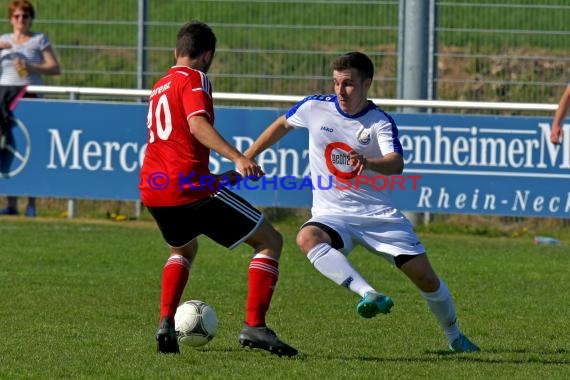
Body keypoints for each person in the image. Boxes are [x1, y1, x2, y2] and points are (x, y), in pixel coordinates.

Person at [244, 52, 480, 353]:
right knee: (306, 237)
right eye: (336, 83)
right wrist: (249, 155)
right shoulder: (315, 107)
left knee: (426, 279)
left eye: (349, 84)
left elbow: (396, 163)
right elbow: (282, 124)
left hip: (378, 216)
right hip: (333, 213)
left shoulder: (379, 121)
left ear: (367, 84)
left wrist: (367, 162)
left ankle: (455, 337)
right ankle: (368, 293)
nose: (340, 91)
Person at [139, 21, 297, 356]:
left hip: (156, 189)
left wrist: (219, 177)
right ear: (207, 55)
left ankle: (166, 321)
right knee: (270, 241)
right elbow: (197, 125)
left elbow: (176, 145)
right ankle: (254, 327)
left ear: (176, 51)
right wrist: (239, 158)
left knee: (183, 249)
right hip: (188, 189)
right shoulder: (195, 78)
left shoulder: (160, 85)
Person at [0, 0, 60, 217]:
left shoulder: (38, 40)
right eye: (16, 16)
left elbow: (55, 68)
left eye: (25, 16)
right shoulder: (3, 41)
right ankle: (11, 202)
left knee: (32, 147)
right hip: (4, 95)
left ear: (30, 19)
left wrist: (30, 66)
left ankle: (31, 203)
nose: (21, 21)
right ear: (10, 19)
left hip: (29, 95)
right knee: (9, 145)